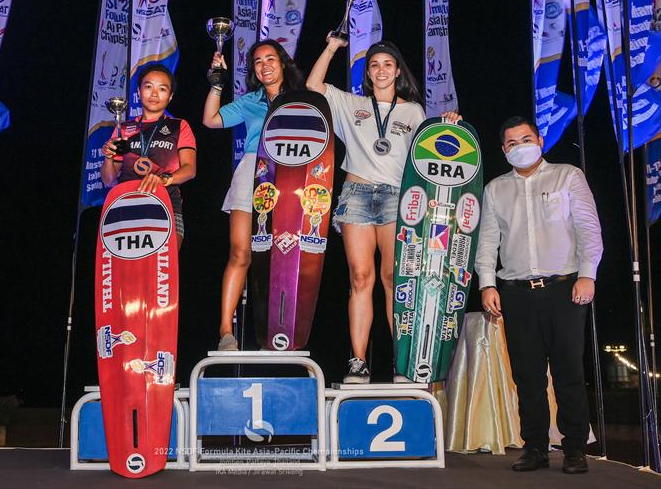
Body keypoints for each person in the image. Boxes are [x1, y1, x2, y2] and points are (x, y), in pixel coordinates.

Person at [307, 38, 459, 383]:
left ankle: (401, 362)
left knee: (395, 280)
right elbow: (314, 85)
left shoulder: (413, 111)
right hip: (356, 195)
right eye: (374, 65)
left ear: (398, 71)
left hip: (397, 197)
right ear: (368, 73)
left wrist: (448, 125)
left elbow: (428, 154)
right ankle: (358, 361)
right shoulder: (352, 104)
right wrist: (330, 48)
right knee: (360, 279)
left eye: (387, 64)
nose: (380, 70)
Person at [475, 116, 603, 475]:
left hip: (565, 287)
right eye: (512, 143)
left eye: (526, 138)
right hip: (516, 293)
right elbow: (487, 242)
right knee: (527, 375)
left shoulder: (568, 176)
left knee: (568, 372)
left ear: (540, 140)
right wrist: (487, 283)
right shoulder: (496, 189)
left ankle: (575, 448)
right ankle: (535, 447)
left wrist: (587, 275)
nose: (520, 146)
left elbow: (589, 229)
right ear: (504, 150)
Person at [202, 39, 305, 351]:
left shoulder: (302, 100)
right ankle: (225, 331)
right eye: (258, 61)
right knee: (240, 252)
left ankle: (276, 333)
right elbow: (211, 120)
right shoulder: (250, 101)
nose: (265, 66)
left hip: (291, 175)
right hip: (253, 170)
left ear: (283, 62)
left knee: (282, 258)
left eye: (271, 59)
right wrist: (217, 84)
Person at [101, 64, 196, 248]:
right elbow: (109, 179)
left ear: (170, 97)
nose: (154, 94)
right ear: (138, 91)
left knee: (164, 273)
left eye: (162, 89)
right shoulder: (124, 128)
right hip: (126, 206)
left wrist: (164, 180)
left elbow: (190, 170)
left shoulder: (179, 126)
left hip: (166, 205)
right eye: (148, 86)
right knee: (128, 273)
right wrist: (108, 157)